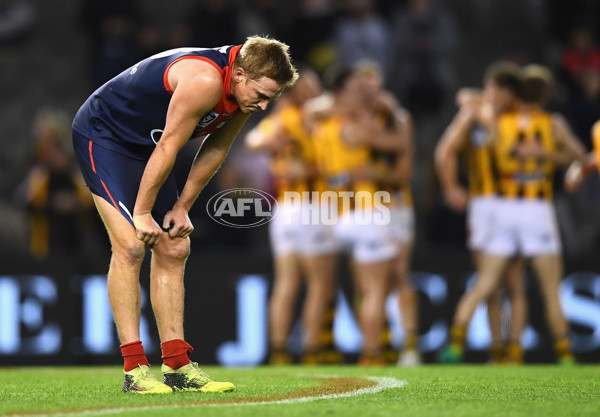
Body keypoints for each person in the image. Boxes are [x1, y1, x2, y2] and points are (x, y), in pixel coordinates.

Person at [72, 36, 298, 393]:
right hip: (105, 136)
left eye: (272, 97)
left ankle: (177, 365)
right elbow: (169, 146)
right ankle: (134, 371)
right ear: (239, 74)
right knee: (131, 246)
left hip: (148, 147)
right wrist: (143, 212)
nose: (265, 105)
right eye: (262, 94)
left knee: (175, 246)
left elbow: (217, 145)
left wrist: (182, 208)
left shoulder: (242, 93)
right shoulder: (204, 81)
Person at [440, 65, 585, 365]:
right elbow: (578, 155)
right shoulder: (547, 122)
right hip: (523, 208)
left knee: (497, 282)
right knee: (528, 287)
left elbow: (487, 140)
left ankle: (472, 342)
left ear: (513, 94)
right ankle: (537, 352)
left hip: (498, 207)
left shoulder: (493, 119)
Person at [245, 68, 340, 365]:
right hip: (310, 206)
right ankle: (313, 349)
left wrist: (267, 145)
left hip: (284, 210)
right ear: (298, 91)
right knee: (319, 284)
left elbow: (254, 139)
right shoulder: (312, 118)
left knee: (287, 283)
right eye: (311, 85)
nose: (317, 89)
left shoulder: (280, 119)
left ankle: (279, 351)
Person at [435, 62, 527, 364]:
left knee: (512, 280)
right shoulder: (473, 116)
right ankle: (498, 349)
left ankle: (510, 351)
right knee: (492, 282)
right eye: (493, 89)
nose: (496, 96)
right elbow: (445, 151)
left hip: (516, 204)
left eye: (502, 91)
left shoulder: (519, 118)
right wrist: (450, 187)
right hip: (485, 205)